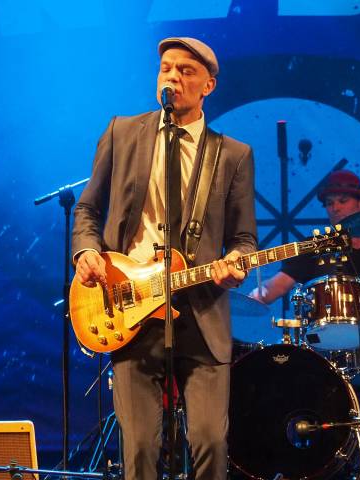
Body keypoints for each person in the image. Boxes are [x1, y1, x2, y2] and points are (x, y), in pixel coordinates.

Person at [72, 37, 257, 480]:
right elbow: (88, 209)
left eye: (186, 71)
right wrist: (87, 251)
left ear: (208, 85)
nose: (172, 77)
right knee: (139, 448)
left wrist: (236, 263)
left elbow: (244, 239)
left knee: (210, 441)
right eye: (166, 68)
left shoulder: (233, 154)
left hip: (201, 310)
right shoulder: (122, 132)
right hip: (129, 306)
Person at [251, 169, 360, 330]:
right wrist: (259, 295)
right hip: (325, 342)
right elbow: (278, 285)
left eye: (342, 201)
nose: (335, 208)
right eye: (329, 203)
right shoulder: (313, 247)